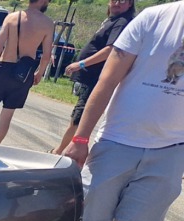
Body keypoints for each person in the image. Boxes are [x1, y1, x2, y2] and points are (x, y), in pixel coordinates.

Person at [43, 0, 184, 221]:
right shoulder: (154, 19)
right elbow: (106, 82)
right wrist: (80, 139)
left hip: (170, 150)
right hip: (118, 140)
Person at [54, 0, 136, 154]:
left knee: (79, 117)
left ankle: (60, 153)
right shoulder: (112, 20)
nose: (117, 3)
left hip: (97, 78)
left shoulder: (121, 22)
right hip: (91, 77)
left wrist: (81, 64)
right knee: (79, 115)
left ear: (130, 4)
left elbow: (111, 50)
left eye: (123, 0)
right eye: (114, 0)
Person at [0, 0, 53, 145]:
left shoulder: (12, 17)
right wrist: (39, 73)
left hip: (4, 68)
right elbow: (46, 56)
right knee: (7, 116)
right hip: (24, 74)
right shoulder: (48, 24)